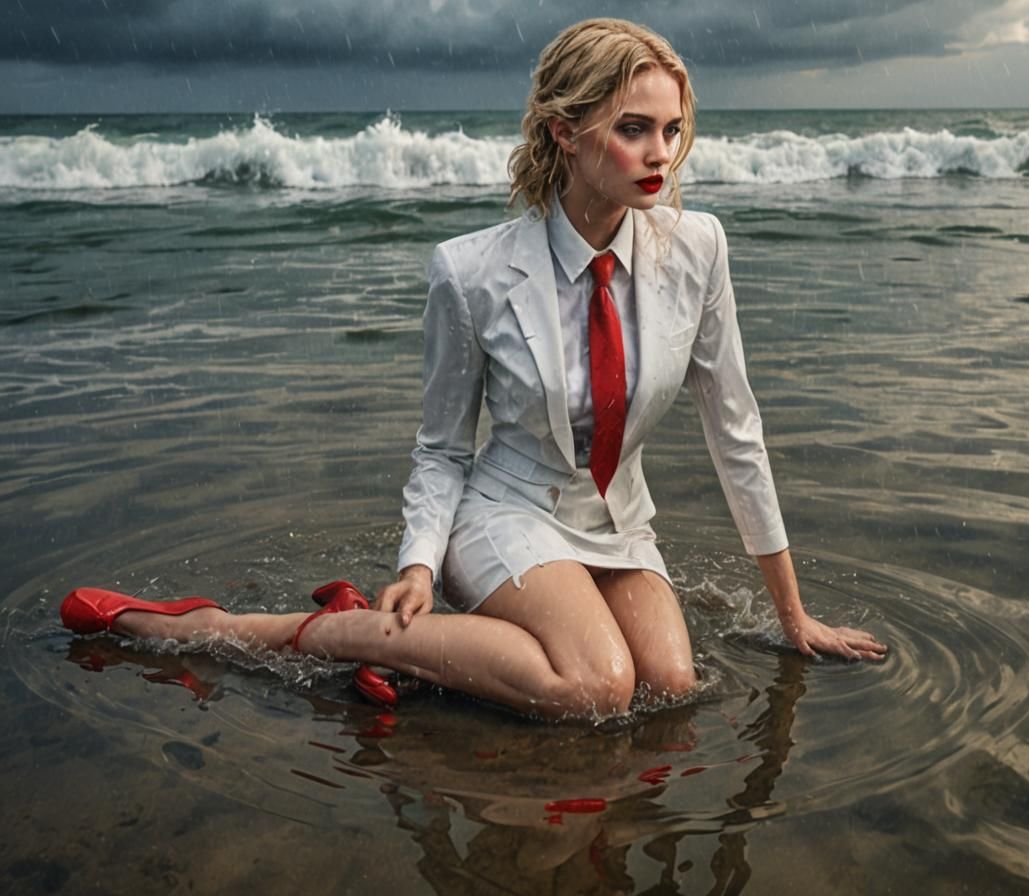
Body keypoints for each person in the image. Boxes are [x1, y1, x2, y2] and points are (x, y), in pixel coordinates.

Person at [60, 18, 886, 720]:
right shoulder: (472, 272)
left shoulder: (697, 248)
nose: (660, 153)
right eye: (633, 127)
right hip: (505, 514)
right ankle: (250, 627)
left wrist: (793, 614)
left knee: (669, 686)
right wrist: (419, 562)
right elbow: (444, 448)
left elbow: (734, 428)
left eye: (672, 130)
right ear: (565, 129)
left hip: (616, 523)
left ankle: (430, 645)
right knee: (599, 688)